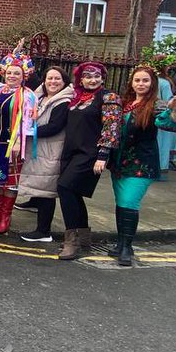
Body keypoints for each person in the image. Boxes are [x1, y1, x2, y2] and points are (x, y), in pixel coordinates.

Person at [109, 66, 176, 266]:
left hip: (141, 164)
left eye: (145, 81)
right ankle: (121, 243)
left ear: (152, 83)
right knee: (121, 203)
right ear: (131, 83)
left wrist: (175, 110)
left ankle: (127, 247)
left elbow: (173, 124)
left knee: (129, 202)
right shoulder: (125, 103)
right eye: (137, 80)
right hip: (119, 162)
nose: (141, 84)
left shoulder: (157, 105)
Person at [56, 61, 122, 261]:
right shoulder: (76, 97)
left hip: (90, 154)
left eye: (97, 76)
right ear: (81, 79)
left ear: (103, 78)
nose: (93, 80)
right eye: (88, 76)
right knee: (73, 191)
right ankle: (83, 237)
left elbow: (111, 127)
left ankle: (72, 241)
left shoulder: (109, 97)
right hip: (70, 152)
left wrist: (103, 155)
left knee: (64, 188)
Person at [0, 38, 37, 235]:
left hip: (13, 144)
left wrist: (19, 141)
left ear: (24, 76)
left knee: (11, 181)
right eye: (10, 72)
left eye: (17, 73)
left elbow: (27, 121)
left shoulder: (27, 95)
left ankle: (6, 215)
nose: (12, 76)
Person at [17, 66, 74, 243]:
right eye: (50, 78)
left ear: (64, 82)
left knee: (47, 190)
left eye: (57, 79)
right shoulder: (40, 96)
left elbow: (54, 127)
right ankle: (34, 204)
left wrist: (28, 132)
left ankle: (43, 231)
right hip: (40, 149)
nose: (53, 82)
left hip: (50, 150)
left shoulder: (63, 102)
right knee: (40, 185)